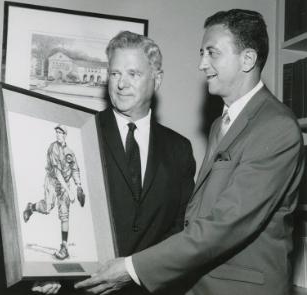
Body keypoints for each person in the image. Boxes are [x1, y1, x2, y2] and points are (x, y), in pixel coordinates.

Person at [73, 9, 305, 295]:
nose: (201, 64)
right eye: (201, 53)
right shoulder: (222, 124)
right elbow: (195, 216)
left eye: (212, 53)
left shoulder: (276, 127)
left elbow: (226, 224)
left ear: (247, 59)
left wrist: (133, 268)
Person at [32, 31, 196, 294]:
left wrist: (136, 271)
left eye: (133, 74)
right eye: (115, 73)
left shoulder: (179, 149)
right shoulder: (80, 134)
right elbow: (61, 202)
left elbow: (181, 228)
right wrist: (46, 270)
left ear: (157, 79)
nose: (121, 84)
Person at [23, 124, 85, 260]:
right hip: (52, 181)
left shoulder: (70, 152)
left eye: (60, 132)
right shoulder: (53, 148)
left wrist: (79, 186)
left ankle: (64, 247)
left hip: (65, 184)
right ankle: (31, 207)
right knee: (47, 207)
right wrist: (69, 191)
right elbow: (57, 172)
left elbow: (75, 169)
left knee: (64, 214)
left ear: (65, 135)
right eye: (56, 132)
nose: (58, 135)